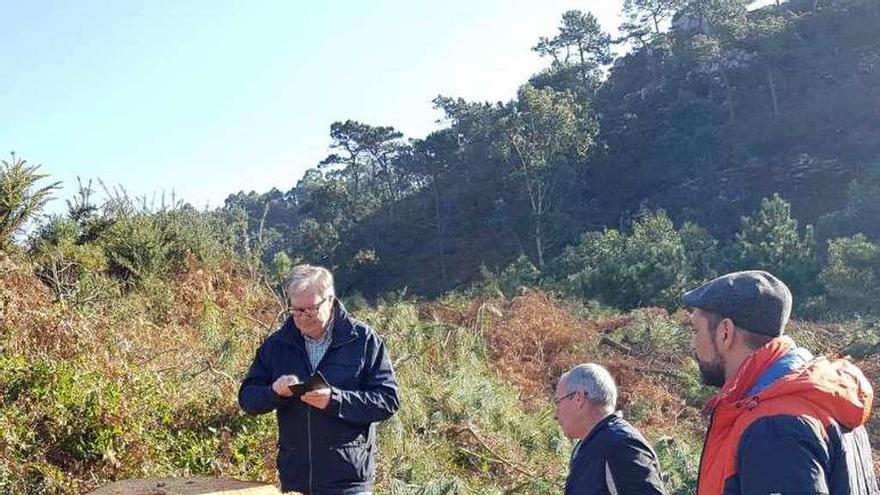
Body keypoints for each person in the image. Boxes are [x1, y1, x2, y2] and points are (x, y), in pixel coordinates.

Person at [683, 270, 878, 494]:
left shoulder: (774, 429)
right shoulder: (824, 397)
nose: (693, 344)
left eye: (696, 330)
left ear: (725, 332)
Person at [238, 265, 399, 495]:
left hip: (349, 481)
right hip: (296, 480)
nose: (302, 317)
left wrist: (335, 400)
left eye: (310, 310)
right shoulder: (277, 345)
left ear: (330, 301)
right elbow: (247, 398)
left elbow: (387, 399)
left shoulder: (363, 341)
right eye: (295, 310)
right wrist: (273, 391)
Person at [554, 363, 667, 494]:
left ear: (578, 398)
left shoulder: (622, 445)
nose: (555, 414)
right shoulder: (591, 446)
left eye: (558, 402)